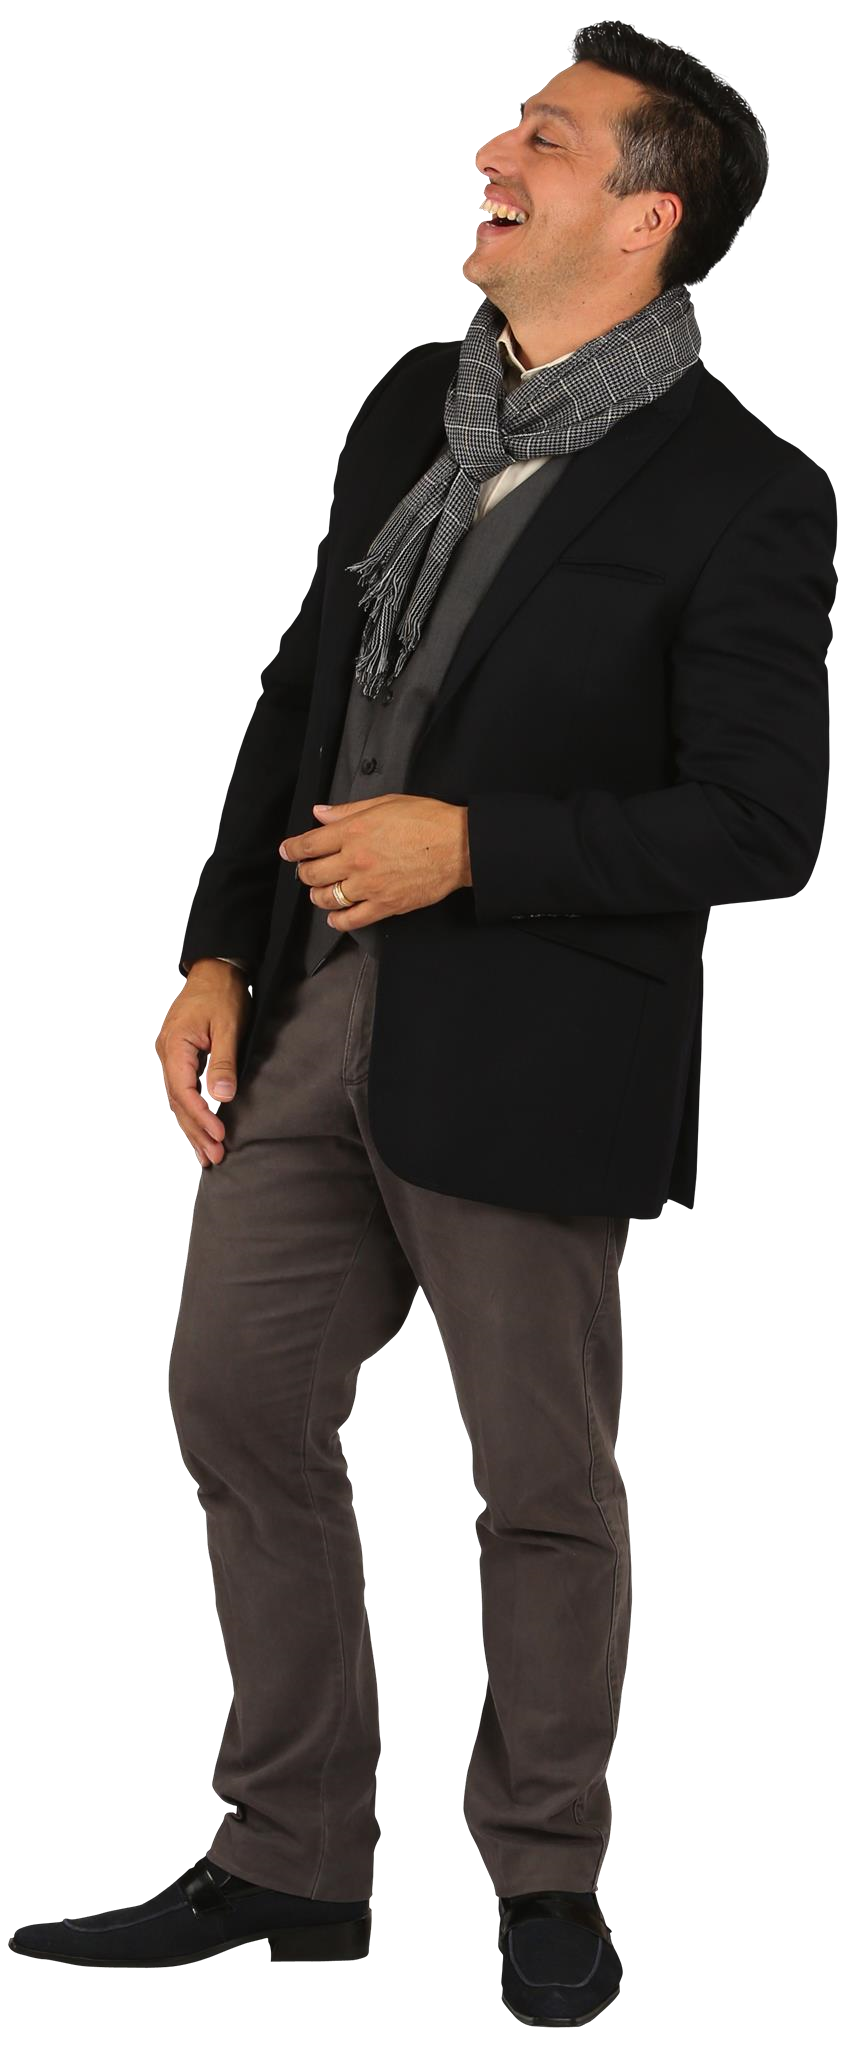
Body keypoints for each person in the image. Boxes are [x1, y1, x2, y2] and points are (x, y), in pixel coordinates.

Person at [10, 24, 834, 2025]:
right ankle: (289, 1857)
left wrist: (474, 845)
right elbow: (303, 691)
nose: (492, 149)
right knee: (234, 1403)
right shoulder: (411, 403)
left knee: (539, 1478)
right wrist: (216, 949)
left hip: (537, 1052)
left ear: (644, 215)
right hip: (312, 1004)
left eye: (543, 135)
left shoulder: (747, 490)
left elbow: (762, 823)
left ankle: (546, 1874)